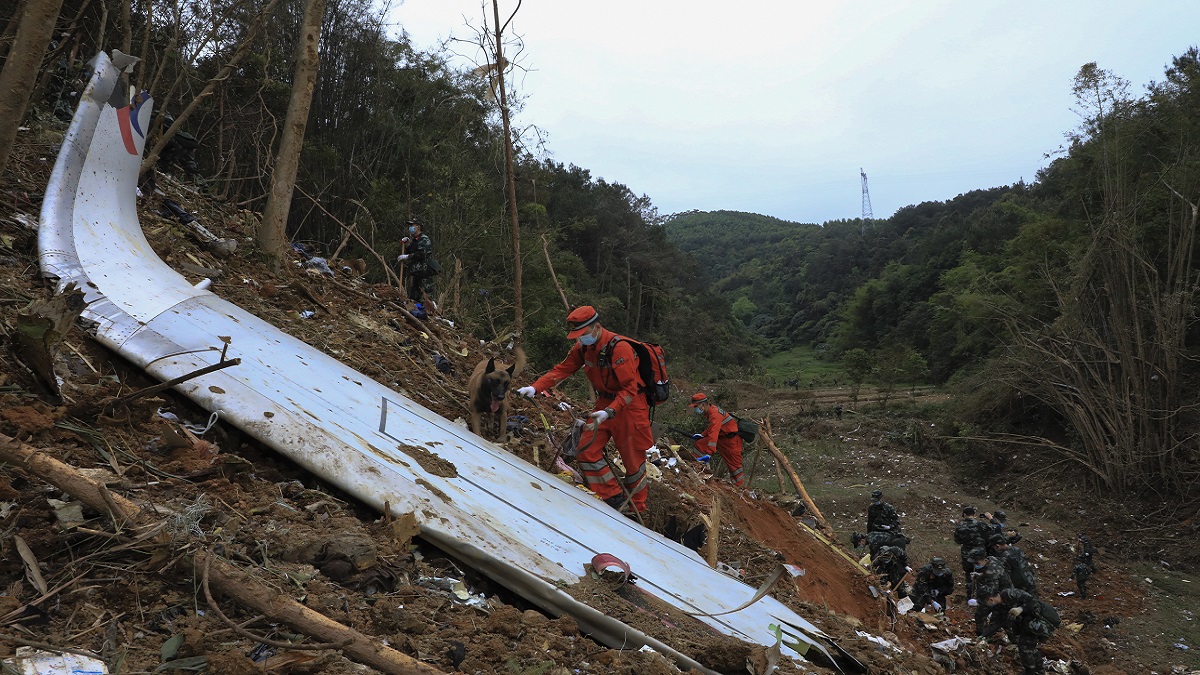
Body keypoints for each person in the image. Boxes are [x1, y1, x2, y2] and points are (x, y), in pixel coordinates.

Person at [517, 306, 653, 515]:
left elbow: (630, 388)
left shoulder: (620, 348)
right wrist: (536, 387)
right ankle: (613, 498)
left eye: (583, 334)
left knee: (633, 462)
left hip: (630, 407)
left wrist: (610, 411)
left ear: (596, 327)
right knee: (586, 449)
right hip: (604, 404)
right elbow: (562, 369)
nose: (580, 339)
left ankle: (637, 510)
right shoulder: (583, 348)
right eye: (577, 336)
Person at [984, 588, 1060, 675]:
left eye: (988, 600)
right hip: (1027, 624)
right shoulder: (998, 607)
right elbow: (996, 623)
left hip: (1039, 619)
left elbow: (1032, 600)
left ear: (991, 598)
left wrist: (1021, 608)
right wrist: (983, 635)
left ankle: (1030, 672)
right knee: (1029, 647)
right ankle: (1039, 670)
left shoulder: (1009, 593)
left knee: (1025, 647)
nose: (989, 603)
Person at [687, 393, 745, 487]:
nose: (695, 409)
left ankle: (740, 488)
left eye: (696, 406)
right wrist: (702, 435)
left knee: (735, 467)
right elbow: (712, 428)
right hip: (722, 438)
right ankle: (696, 468)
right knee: (700, 445)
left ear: (703, 404)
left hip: (731, 441)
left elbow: (714, 433)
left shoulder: (714, 414)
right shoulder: (711, 411)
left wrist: (709, 453)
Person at [967, 547, 1013, 636]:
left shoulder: (991, 572)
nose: (975, 565)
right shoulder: (991, 559)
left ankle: (984, 637)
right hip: (998, 593)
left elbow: (991, 592)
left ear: (984, 559)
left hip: (1002, 597)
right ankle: (983, 634)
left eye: (976, 562)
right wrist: (980, 576)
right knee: (981, 615)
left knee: (999, 619)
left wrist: (978, 601)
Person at [395, 218, 436, 307]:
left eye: (412, 226)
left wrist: (407, 257)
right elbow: (410, 250)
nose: (410, 228)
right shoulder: (415, 240)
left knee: (427, 297)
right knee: (414, 298)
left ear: (418, 227)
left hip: (424, 273)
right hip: (416, 273)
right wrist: (407, 243)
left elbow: (421, 254)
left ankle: (433, 316)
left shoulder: (424, 239)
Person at [954, 506, 990, 596]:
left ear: (964, 515)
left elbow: (957, 541)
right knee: (982, 573)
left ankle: (970, 596)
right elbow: (989, 537)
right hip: (980, 552)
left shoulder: (960, 526)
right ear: (974, 515)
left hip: (967, 553)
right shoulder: (981, 525)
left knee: (968, 575)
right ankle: (981, 596)